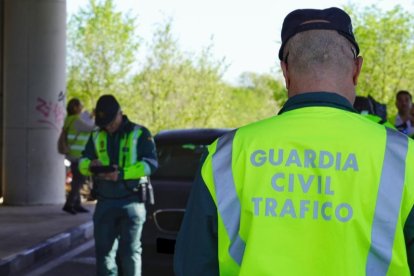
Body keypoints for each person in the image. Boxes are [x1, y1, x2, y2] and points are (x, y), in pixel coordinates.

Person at [174, 7, 414, 275]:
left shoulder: (225, 156)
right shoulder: (404, 158)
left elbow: (193, 265)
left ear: (285, 71)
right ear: (357, 69)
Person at [79, 94, 158, 275]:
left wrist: (121, 174)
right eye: (104, 122)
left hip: (132, 201)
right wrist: (90, 166)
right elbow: (83, 160)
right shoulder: (97, 134)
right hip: (105, 201)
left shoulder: (140, 133)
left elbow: (151, 165)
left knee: (130, 253)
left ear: (120, 113)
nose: (108, 126)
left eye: (110, 121)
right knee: (104, 254)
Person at [62, 98, 95, 215]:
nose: (82, 108)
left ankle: (76, 204)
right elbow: (90, 129)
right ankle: (70, 204)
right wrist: (96, 118)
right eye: (81, 105)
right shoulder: (76, 119)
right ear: (75, 107)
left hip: (72, 153)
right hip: (78, 154)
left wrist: (90, 116)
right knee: (79, 179)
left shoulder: (69, 119)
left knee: (78, 179)